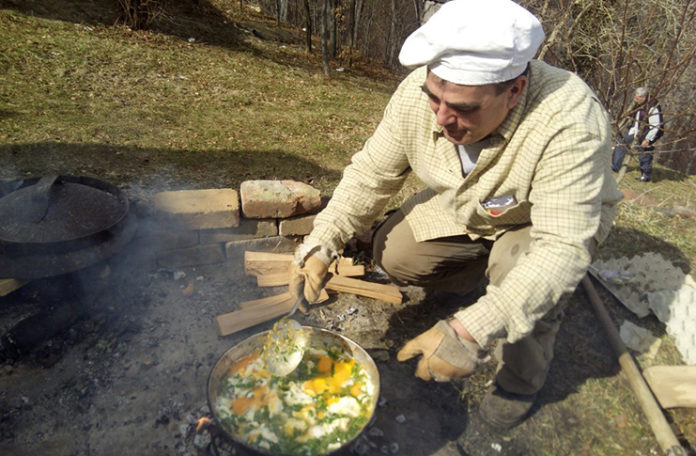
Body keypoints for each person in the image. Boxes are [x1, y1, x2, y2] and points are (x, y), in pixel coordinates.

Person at [290, 0, 623, 431]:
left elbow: (560, 249)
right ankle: (483, 280)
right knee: (395, 252)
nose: (444, 119)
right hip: (471, 206)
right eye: (436, 98)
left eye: (465, 108)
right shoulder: (418, 94)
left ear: (515, 90)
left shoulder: (569, 118)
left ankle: (520, 381)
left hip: (538, 223)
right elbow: (371, 175)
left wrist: (469, 331)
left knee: (525, 267)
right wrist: (322, 242)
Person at [611, 87, 664, 181]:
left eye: (637, 97)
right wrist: (632, 134)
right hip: (638, 132)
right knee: (621, 142)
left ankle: (645, 176)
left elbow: (656, 126)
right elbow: (636, 121)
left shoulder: (653, 107)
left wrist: (648, 139)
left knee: (644, 152)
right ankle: (615, 166)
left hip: (649, 134)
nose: (635, 99)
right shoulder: (640, 105)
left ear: (643, 97)